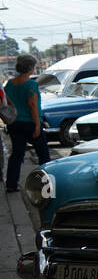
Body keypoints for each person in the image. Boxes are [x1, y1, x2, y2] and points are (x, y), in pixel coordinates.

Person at [5, 55, 51, 192]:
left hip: (14, 123)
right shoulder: (31, 84)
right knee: (43, 154)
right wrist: (37, 124)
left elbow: (7, 103)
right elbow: (32, 105)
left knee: (17, 154)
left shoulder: (10, 84)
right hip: (30, 123)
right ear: (30, 68)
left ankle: (11, 184)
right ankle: (47, 184)